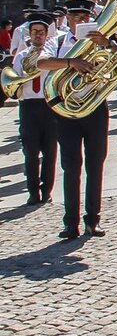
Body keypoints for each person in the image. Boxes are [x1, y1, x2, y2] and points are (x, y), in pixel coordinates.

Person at [37, 0, 117, 240]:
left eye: (86, 17)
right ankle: (70, 222)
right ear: (69, 20)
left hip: (94, 108)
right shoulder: (59, 41)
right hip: (67, 112)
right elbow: (42, 63)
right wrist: (72, 63)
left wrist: (109, 45)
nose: (81, 21)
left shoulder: (100, 42)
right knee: (71, 166)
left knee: (96, 164)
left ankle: (93, 219)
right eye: (77, 18)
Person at [11, 12, 58, 206]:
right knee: (30, 152)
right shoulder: (22, 56)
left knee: (50, 151)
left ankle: (46, 190)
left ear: (47, 35)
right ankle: (33, 192)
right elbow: (13, 82)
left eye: (41, 32)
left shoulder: (53, 55)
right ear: (29, 35)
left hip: (48, 105)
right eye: (34, 32)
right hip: (29, 106)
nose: (38, 35)